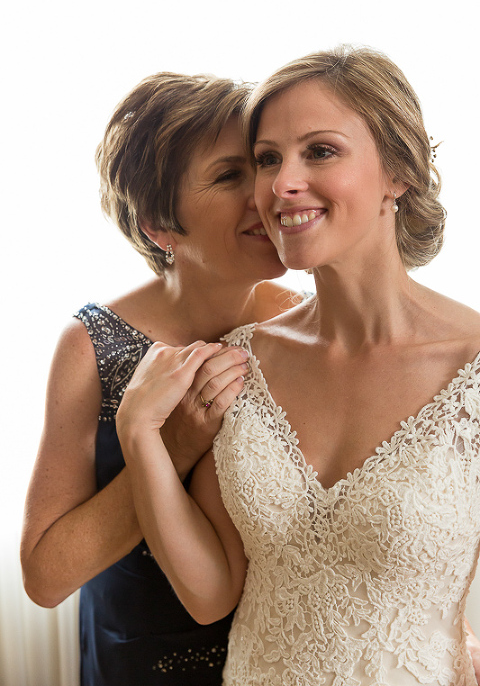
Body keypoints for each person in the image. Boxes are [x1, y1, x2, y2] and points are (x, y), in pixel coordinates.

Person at [117, 46, 480, 685]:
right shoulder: (239, 361)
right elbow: (212, 593)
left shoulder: (471, 368)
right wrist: (139, 434)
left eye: (321, 151)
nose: (282, 183)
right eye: (267, 159)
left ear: (398, 172)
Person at [20, 71, 302, 686]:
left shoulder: (308, 326)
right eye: (229, 176)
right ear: (158, 223)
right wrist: (171, 445)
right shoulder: (92, 347)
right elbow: (44, 577)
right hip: (136, 663)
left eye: (261, 165)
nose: (267, 192)